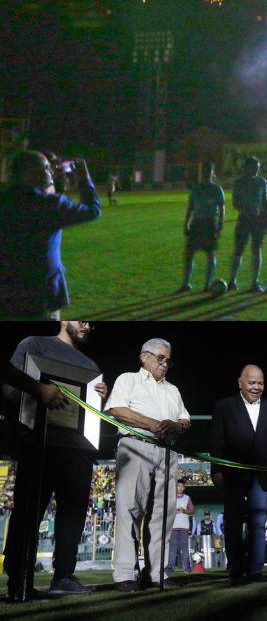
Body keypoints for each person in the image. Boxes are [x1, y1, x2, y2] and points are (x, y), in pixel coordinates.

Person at [4, 319, 109, 599]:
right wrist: (34, 399)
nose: (87, 326)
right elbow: (8, 390)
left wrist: (100, 398)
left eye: (92, 324)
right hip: (38, 442)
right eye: (82, 320)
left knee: (73, 516)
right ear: (64, 318)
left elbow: (92, 415)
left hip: (77, 448)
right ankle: (20, 579)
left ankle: (64, 576)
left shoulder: (91, 365)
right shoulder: (34, 344)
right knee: (28, 511)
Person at [107, 337, 191, 591]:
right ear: (144, 356)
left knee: (163, 515)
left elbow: (185, 419)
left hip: (167, 451)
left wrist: (176, 425)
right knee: (130, 508)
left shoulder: (172, 389)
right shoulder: (127, 380)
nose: (164, 364)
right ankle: (125, 574)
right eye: (160, 358)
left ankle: (156, 574)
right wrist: (152, 424)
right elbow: (116, 410)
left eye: (168, 360)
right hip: (135, 445)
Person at [210, 364, 267, 585]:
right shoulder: (223, 406)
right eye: (252, 382)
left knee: (257, 523)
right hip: (232, 474)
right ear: (240, 383)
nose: (256, 387)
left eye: (260, 383)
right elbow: (216, 442)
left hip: (261, 476)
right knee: (234, 522)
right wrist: (216, 470)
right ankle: (235, 570)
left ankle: (255, 571)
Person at [0, 152, 101, 320]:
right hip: (41, 294)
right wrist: (84, 179)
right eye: (46, 168)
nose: (51, 173)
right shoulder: (50, 204)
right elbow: (92, 211)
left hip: (7, 292)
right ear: (32, 173)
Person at [180, 162, 225, 292]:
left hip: (210, 223)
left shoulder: (217, 189)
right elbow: (191, 207)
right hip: (196, 223)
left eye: (208, 171)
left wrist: (219, 226)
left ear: (212, 173)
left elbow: (222, 209)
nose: (205, 173)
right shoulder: (196, 188)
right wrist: (186, 223)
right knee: (188, 253)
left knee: (210, 254)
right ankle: (186, 283)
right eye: (203, 171)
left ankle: (207, 285)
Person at [229, 157, 267, 292]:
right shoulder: (239, 182)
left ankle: (254, 282)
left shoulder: (261, 182)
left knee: (256, 249)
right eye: (255, 167)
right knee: (239, 249)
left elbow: (265, 201)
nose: (257, 170)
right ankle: (232, 281)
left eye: (258, 167)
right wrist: (246, 211)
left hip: (258, 221)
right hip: (244, 219)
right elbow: (235, 203)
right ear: (247, 167)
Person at [170, 482, 194, 574]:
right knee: (172, 548)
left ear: (184, 488)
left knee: (184, 548)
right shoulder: (171, 497)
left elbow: (192, 510)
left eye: (181, 486)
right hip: (173, 526)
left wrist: (184, 510)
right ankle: (170, 567)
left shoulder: (187, 498)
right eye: (178, 486)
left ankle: (187, 568)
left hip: (184, 527)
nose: (180, 488)